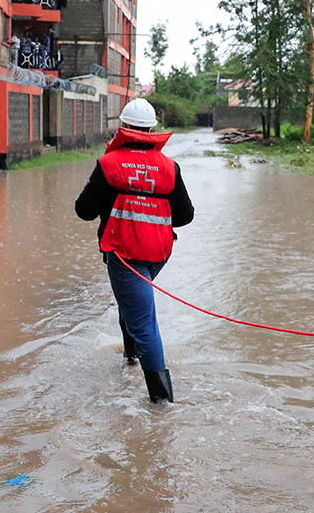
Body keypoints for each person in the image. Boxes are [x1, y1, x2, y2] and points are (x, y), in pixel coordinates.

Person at [74, 99, 194, 404]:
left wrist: (114, 198)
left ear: (123, 128)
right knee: (131, 306)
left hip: (126, 256)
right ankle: (129, 360)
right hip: (159, 254)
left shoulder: (109, 165)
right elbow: (184, 216)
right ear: (152, 129)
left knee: (144, 323)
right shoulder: (169, 167)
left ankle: (162, 404)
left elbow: (84, 211)